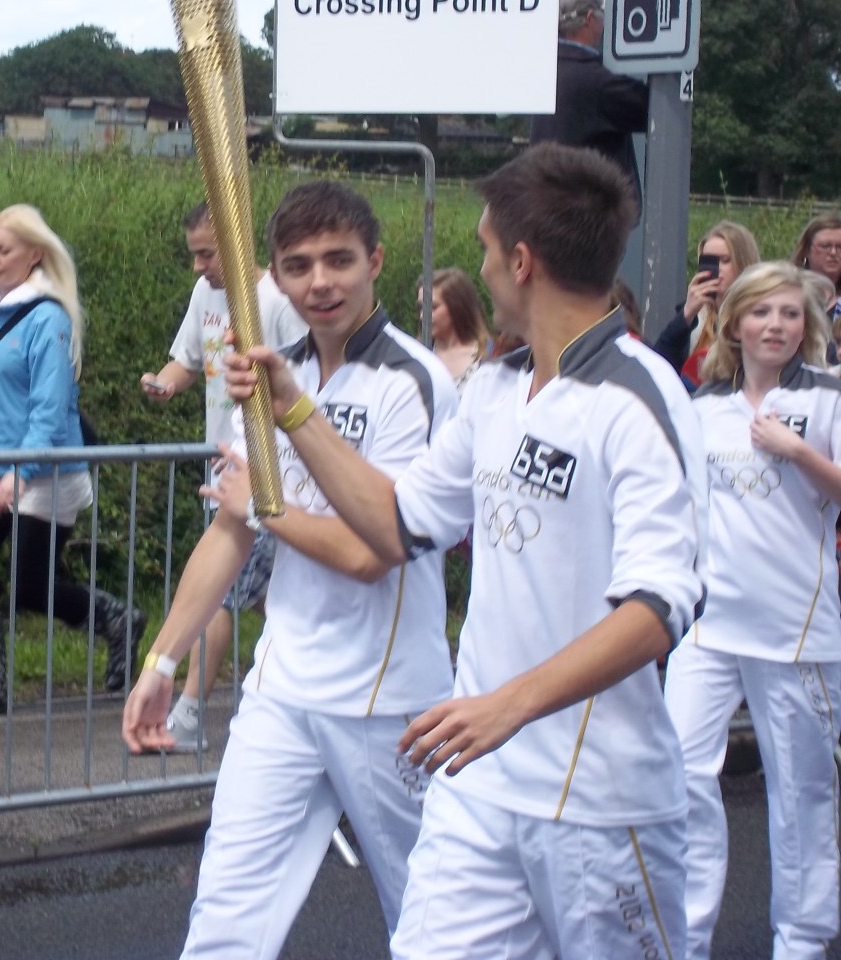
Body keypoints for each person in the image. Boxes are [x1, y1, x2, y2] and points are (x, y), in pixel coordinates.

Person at [224, 143, 707, 958]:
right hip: (479, 791)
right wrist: (294, 411)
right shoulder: (492, 390)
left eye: (485, 250)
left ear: (521, 262)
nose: (477, 269)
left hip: (601, 802)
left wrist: (509, 704)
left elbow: (659, 609)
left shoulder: (640, 398)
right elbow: (397, 524)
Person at [124, 180, 458, 955]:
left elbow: (375, 554)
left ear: (375, 261)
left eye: (339, 260)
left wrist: (270, 508)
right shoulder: (276, 376)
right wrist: (163, 658)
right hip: (281, 692)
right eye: (299, 265)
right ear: (273, 277)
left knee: (433, 923)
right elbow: (228, 533)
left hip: (387, 702)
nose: (321, 282)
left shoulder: (414, 383)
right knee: (226, 917)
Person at [665, 261, 841, 960]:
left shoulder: (828, 397)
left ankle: (800, 938)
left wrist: (798, 452)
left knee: (800, 794)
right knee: (677, 771)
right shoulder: (704, 408)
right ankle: (686, 930)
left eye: (790, 315)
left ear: (808, 325)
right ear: (734, 322)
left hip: (796, 630)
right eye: (762, 313)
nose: (776, 326)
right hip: (709, 627)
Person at [0, 205, 146, 718]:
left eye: (4, 249)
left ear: (35, 255)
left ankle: (115, 619)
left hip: (44, 474)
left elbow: (49, 414)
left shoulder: (48, 320)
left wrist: (19, 476)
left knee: (31, 588)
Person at [139, 201, 307, 750]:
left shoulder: (277, 301)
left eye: (206, 254)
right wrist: (164, 384)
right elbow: (188, 361)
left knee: (224, 595)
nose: (198, 266)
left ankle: (187, 715)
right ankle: (303, 681)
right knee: (273, 593)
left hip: (270, 471)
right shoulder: (204, 296)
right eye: (193, 255)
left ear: (237, 245)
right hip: (224, 466)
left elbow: (302, 385)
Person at [530, 0, 648, 203]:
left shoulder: (542, 73)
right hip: (587, 216)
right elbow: (654, 110)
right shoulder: (597, 81)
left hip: (543, 205)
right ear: (590, 18)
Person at [653, 221, 761, 386]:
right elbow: (658, 368)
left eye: (725, 260)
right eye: (709, 261)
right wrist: (686, 316)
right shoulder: (695, 317)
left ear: (743, 262)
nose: (716, 269)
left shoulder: (763, 312)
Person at [417, 266, 491, 390]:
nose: (423, 315)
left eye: (433, 307)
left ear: (457, 307)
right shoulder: (417, 357)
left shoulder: (490, 355)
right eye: (420, 307)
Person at [791, 215, 841, 302]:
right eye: (825, 246)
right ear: (806, 250)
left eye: (840, 247)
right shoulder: (789, 291)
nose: (833, 252)